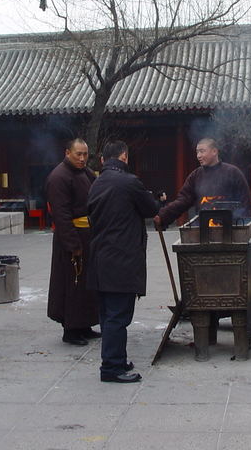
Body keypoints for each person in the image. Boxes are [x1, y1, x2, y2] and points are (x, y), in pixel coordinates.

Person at [87, 140, 160, 383]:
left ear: (102, 160)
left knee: (108, 315)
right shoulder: (129, 182)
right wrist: (157, 198)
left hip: (100, 259)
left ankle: (115, 358)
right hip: (121, 261)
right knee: (118, 316)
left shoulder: (96, 183)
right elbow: (150, 208)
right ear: (124, 157)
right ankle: (111, 368)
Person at [46, 138, 100, 346]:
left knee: (87, 285)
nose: (82, 158)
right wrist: (73, 245)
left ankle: (85, 325)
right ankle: (71, 329)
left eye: (85, 154)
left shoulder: (85, 173)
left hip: (88, 235)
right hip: (71, 238)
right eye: (78, 154)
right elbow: (60, 215)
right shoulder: (58, 177)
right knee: (72, 284)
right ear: (67, 152)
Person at [154, 138, 251, 228]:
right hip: (204, 230)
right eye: (197, 152)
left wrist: (245, 226)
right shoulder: (196, 176)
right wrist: (163, 216)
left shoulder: (233, 173)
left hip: (232, 227)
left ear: (214, 151)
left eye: (202, 151)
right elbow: (183, 201)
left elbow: (245, 202)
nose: (198, 156)